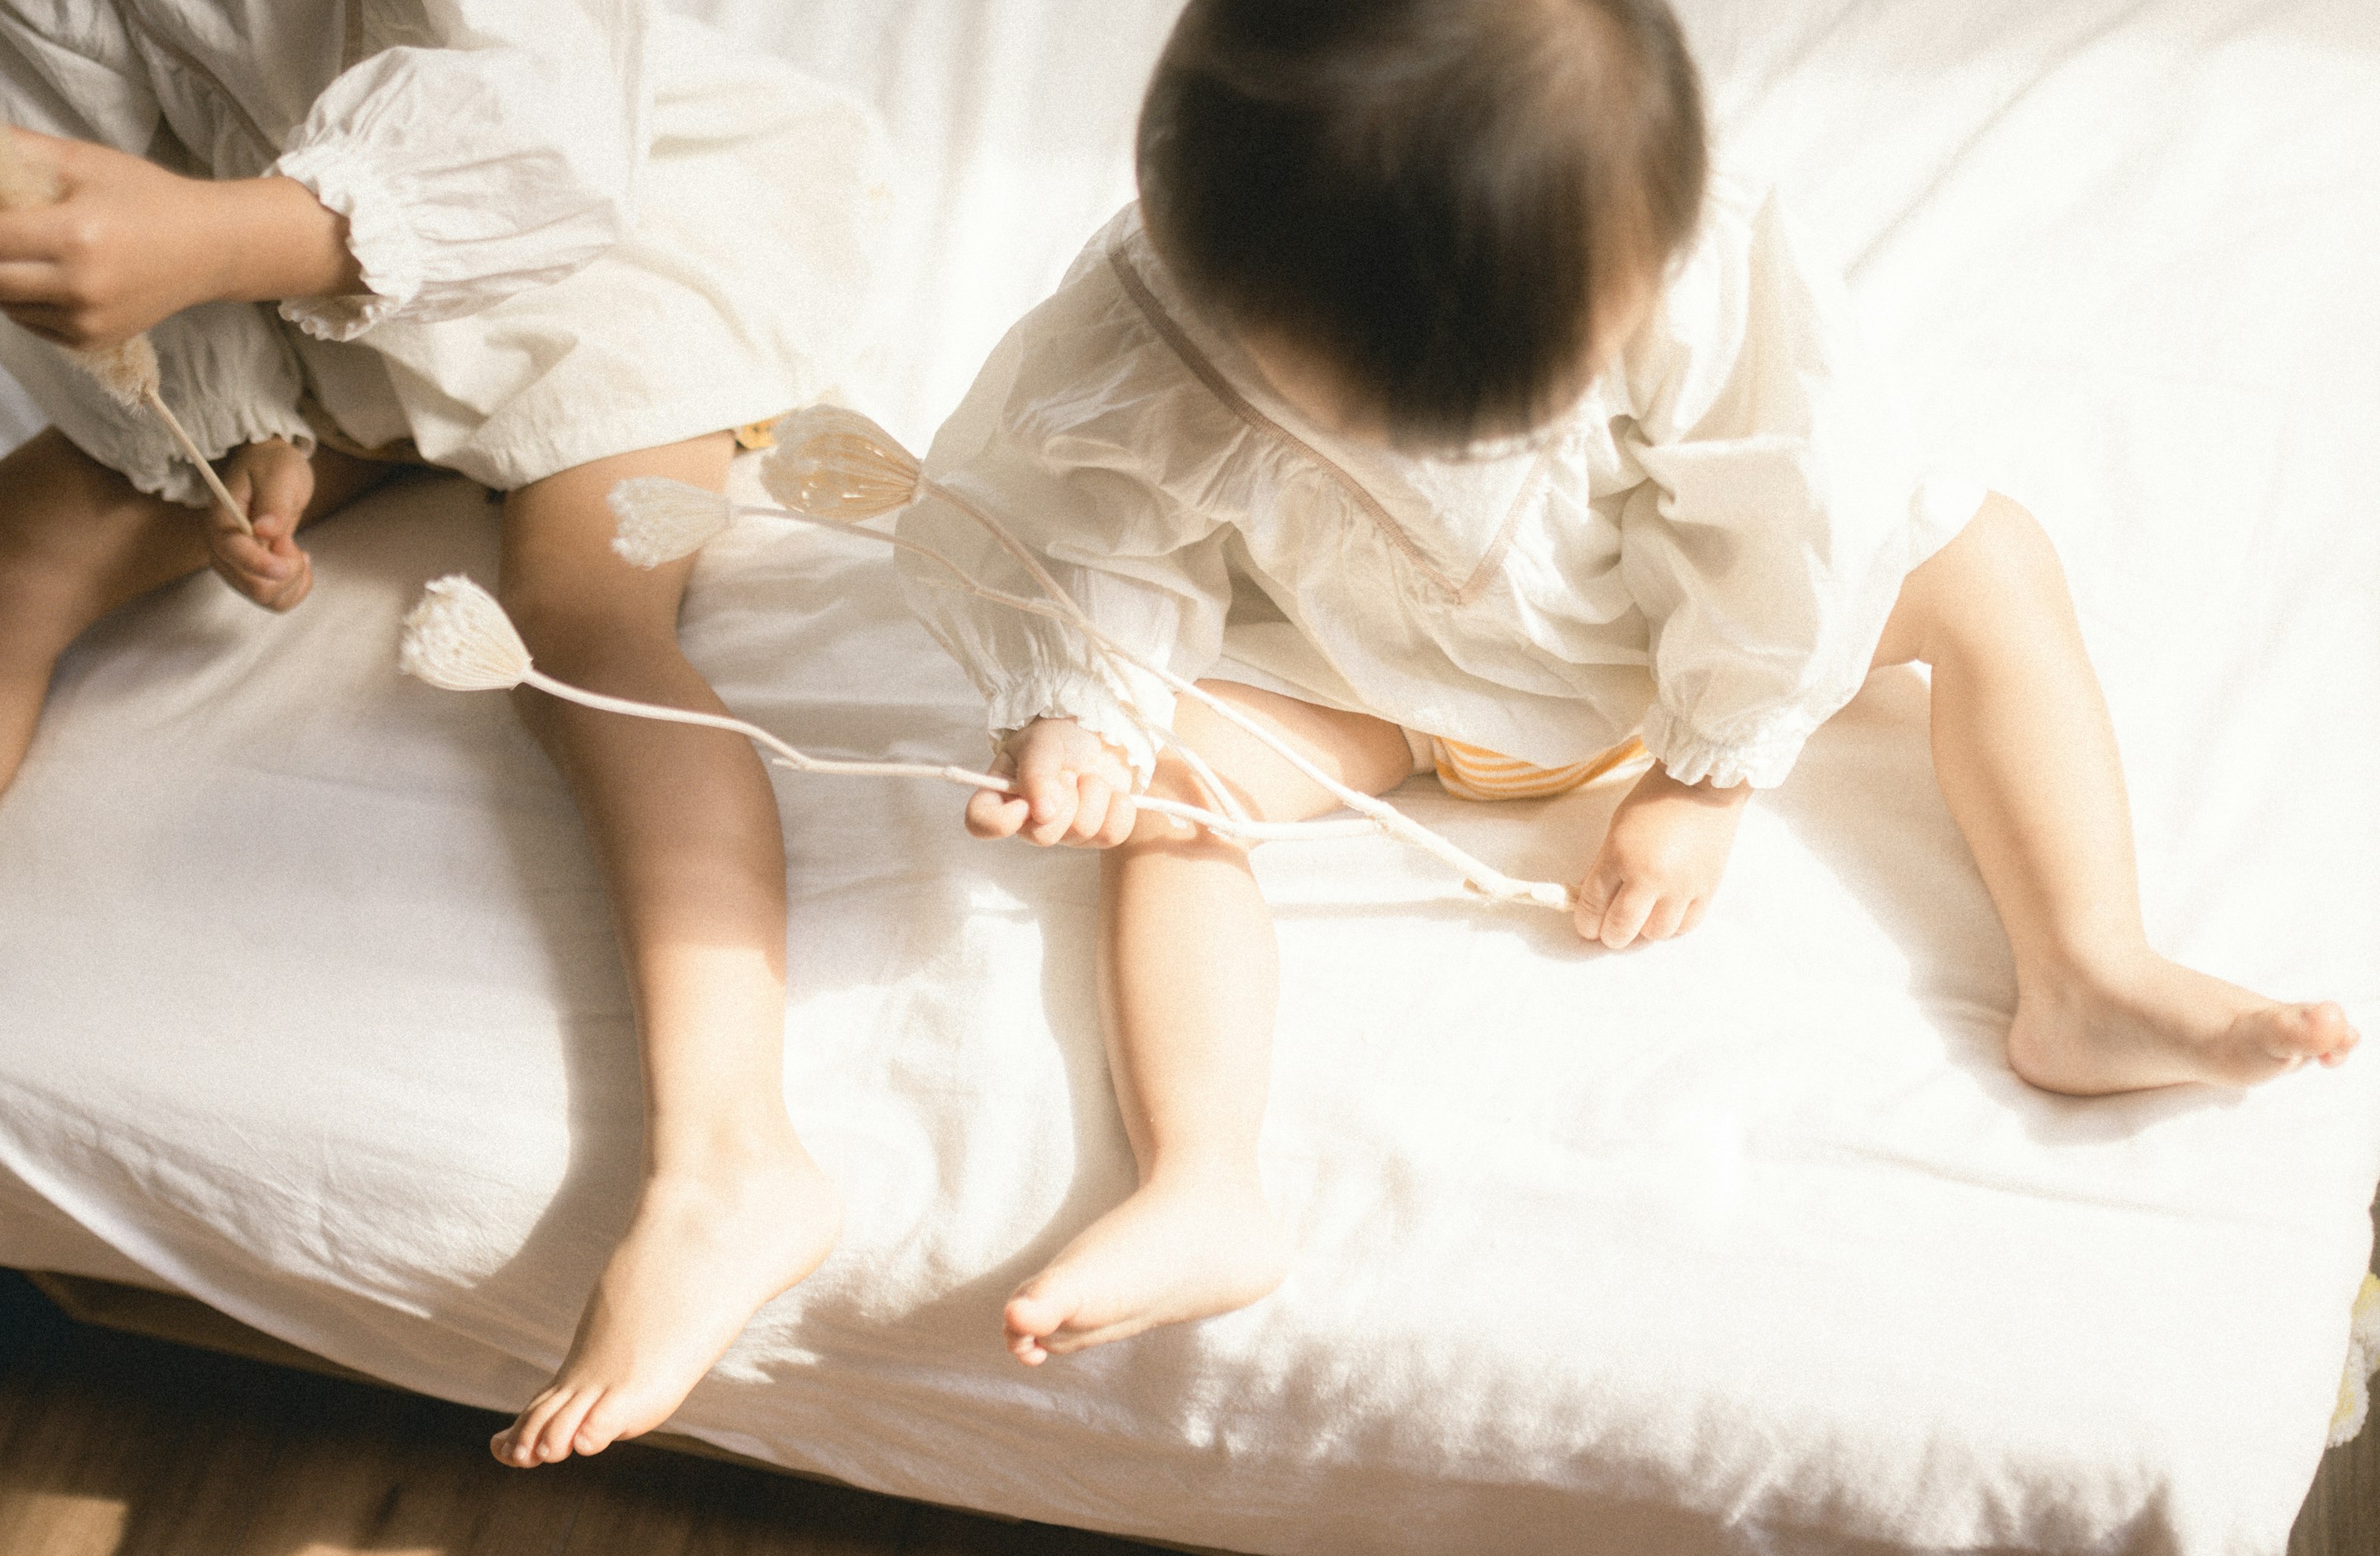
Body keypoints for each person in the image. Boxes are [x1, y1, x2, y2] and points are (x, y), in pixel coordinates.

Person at [898, 0, 2358, 1367]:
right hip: (1356, 674)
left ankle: (2088, 968)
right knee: (1171, 796)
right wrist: (1079, 712)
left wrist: (1706, 768)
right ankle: (1205, 1174)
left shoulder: (1700, 284)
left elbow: (1793, 515)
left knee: (1987, 558)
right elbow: (1068, 514)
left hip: (1656, 647)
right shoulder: (1155, 325)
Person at [0, 0, 879, 1471]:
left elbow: (547, 143)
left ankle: (732, 1159)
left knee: (581, 620)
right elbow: (67, 192)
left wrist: (208, 242)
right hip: (287, 298)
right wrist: (231, 418)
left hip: (604, 254)